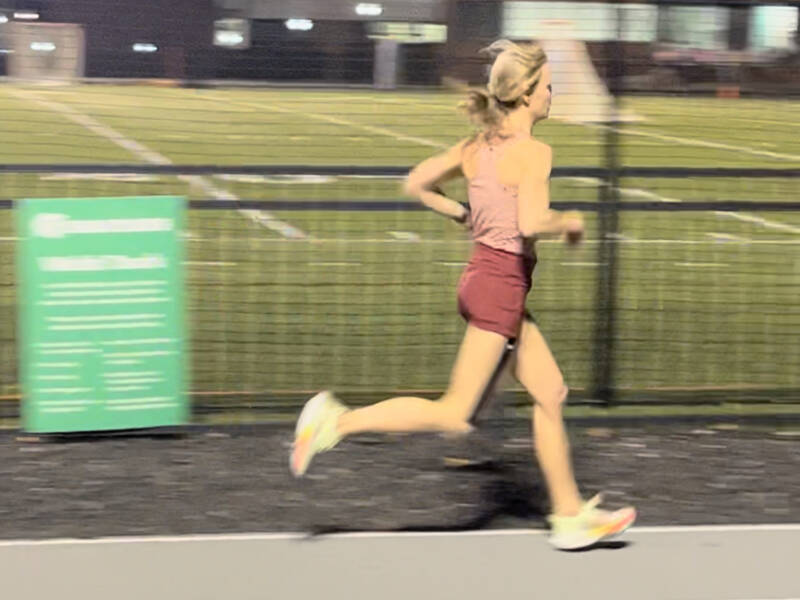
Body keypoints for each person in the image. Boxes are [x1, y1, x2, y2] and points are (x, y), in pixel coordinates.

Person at [289, 40, 636, 550]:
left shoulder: (476, 148)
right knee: (454, 413)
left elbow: (417, 183)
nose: (552, 94)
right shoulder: (534, 152)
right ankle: (334, 421)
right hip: (498, 290)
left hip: (487, 282)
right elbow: (531, 222)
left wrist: (461, 214)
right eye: (546, 86)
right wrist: (571, 223)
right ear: (525, 93)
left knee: (550, 392)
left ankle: (568, 515)